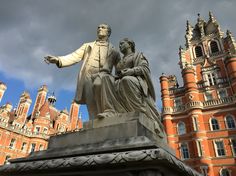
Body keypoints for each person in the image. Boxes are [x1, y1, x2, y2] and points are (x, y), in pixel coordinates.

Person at [44, 24, 120, 119]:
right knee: (91, 101)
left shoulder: (114, 50)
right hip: (88, 75)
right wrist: (58, 60)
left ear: (108, 32)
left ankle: (106, 121)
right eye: (98, 27)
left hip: (104, 76)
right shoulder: (88, 45)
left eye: (103, 27)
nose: (99, 29)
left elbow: (120, 68)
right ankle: (93, 123)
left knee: (104, 100)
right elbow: (74, 56)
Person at [98, 38, 165, 136]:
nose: (120, 46)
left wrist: (131, 71)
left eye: (122, 43)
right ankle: (110, 110)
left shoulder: (138, 55)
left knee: (127, 80)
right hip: (120, 82)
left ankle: (139, 111)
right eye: (119, 44)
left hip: (135, 81)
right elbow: (116, 74)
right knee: (106, 78)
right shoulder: (120, 61)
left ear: (129, 44)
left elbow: (145, 69)